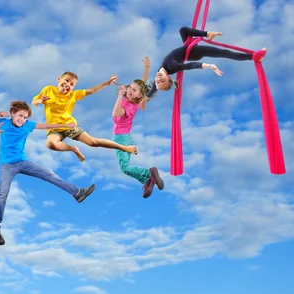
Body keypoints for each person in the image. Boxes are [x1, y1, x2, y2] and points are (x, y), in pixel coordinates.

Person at [0, 101, 97, 246]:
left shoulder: (28, 125)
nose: (22, 120)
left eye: (25, 117)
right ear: (12, 114)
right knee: (2, 193)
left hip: (23, 162)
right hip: (7, 165)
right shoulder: (3, 123)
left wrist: (67, 126)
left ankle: (77, 193)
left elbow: (46, 126)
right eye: (20, 116)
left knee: (49, 174)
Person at [33, 73, 137, 162]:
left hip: (69, 125)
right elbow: (34, 102)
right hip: (54, 128)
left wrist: (107, 83)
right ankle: (74, 149)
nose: (68, 84)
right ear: (59, 79)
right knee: (51, 144)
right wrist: (40, 101)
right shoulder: (48, 89)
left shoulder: (73, 94)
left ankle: (125, 148)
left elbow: (91, 91)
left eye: (71, 84)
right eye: (67, 80)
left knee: (93, 142)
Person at [145, 27, 267, 100]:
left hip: (187, 47)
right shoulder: (173, 67)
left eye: (157, 82)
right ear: (169, 78)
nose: (158, 80)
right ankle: (254, 57)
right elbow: (190, 66)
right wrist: (209, 66)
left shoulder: (160, 72)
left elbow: (154, 89)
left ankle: (207, 34)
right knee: (224, 53)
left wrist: (145, 100)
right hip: (194, 52)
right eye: (163, 81)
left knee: (183, 30)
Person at [111, 57, 164, 198]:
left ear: (139, 95)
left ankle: (149, 173)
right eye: (130, 88)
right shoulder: (134, 102)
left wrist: (120, 96)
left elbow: (115, 113)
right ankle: (147, 181)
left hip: (121, 139)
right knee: (126, 166)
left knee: (124, 168)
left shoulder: (127, 105)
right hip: (127, 138)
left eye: (134, 90)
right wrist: (146, 68)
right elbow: (142, 84)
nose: (130, 91)